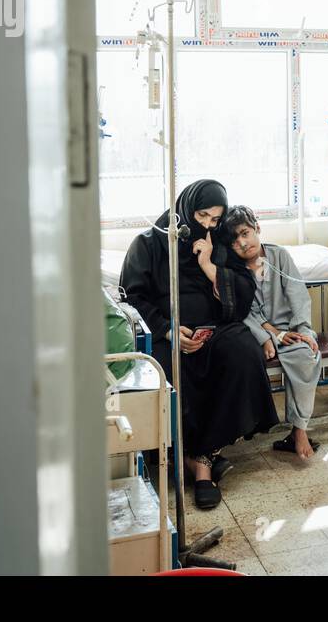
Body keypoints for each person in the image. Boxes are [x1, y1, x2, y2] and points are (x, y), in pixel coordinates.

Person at [119, 179, 279, 509]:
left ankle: (201, 457)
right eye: (201, 216)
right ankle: (195, 461)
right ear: (185, 209)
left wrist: (209, 266)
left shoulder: (219, 245)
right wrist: (167, 330)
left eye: (215, 219)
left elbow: (244, 294)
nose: (206, 225)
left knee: (243, 352)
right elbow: (132, 297)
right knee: (165, 369)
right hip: (166, 333)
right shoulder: (148, 244)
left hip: (215, 330)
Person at [221, 205, 325, 460]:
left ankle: (299, 429)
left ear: (257, 228)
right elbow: (241, 309)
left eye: (245, 233)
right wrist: (266, 335)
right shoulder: (232, 268)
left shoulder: (279, 257)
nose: (242, 243)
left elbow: (298, 295)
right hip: (254, 333)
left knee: (306, 356)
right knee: (245, 355)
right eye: (234, 241)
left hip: (289, 330)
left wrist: (304, 330)